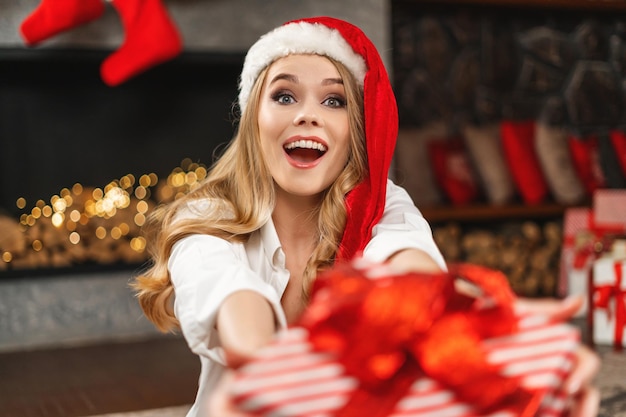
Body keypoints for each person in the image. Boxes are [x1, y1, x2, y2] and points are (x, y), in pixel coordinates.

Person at [132, 16, 599, 417]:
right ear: (254, 119)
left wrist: (473, 330)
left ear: (356, 131)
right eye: (284, 96)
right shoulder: (208, 215)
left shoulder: (386, 206)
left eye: (333, 101)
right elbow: (233, 299)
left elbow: (408, 266)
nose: (307, 116)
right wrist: (264, 369)